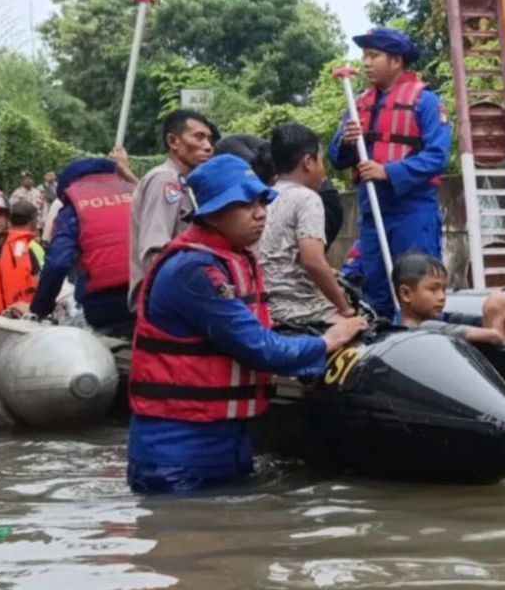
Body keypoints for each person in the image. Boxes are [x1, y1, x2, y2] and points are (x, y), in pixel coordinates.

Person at [126, 154, 366, 494]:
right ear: (212, 212)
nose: (259, 213)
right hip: (176, 447)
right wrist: (329, 340)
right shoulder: (192, 271)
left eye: (260, 201)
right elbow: (260, 348)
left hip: (226, 440)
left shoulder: (235, 258)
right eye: (244, 204)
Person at [328, 27, 452, 318]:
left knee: (420, 287)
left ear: (396, 61)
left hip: (413, 211)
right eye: (364, 56)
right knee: (376, 291)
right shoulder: (357, 104)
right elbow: (336, 158)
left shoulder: (427, 102)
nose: (366, 63)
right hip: (373, 212)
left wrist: (389, 172)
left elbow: (438, 157)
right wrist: (345, 141)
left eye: (374, 56)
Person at [259, 123, 363, 331]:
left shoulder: (264, 197)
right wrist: (345, 309)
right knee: (364, 324)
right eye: (321, 161)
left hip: (265, 308)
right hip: (301, 310)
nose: (323, 170)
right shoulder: (308, 199)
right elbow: (313, 261)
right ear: (308, 162)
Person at [29, 158, 136, 335]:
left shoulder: (73, 209)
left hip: (107, 304)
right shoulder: (136, 193)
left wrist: (40, 309)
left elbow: (57, 263)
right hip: (154, 296)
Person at [128, 109, 218, 308]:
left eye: (209, 140)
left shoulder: (184, 183)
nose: (208, 147)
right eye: (199, 137)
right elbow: (154, 252)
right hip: (166, 304)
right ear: (173, 141)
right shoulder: (165, 181)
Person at [393, 252, 505, 346]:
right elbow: (495, 336)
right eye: (433, 290)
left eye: (443, 290)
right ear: (406, 294)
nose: (442, 297)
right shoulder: (410, 331)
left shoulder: (442, 319)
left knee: (499, 301)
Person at [0, 189, 38, 316]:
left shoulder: (24, 249)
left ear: (7, 218)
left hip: (21, 326)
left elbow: (40, 288)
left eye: (0, 214)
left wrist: (30, 307)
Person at [9, 200, 44, 268]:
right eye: (36, 218)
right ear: (32, 221)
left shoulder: (2, 242)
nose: (37, 220)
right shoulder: (24, 246)